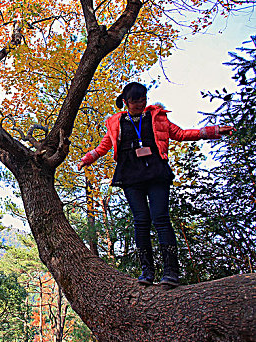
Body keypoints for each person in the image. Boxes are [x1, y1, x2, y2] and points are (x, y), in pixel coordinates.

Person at [77, 82, 233, 286]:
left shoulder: (157, 117)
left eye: (143, 99)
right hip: (130, 175)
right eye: (136, 102)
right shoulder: (115, 122)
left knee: (161, 218)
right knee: (141, 221)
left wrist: (212, 131)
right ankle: (146, 272)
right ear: (125, 102)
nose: (141, 104)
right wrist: (87, 158)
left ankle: (171, 272)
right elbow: (104, 145)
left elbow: (181, 134)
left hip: (156, 171)